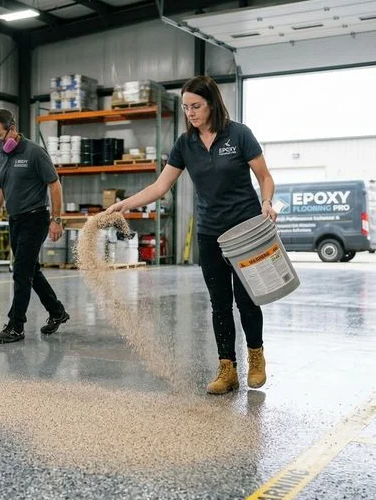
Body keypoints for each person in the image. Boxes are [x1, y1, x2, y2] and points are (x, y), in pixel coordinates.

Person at [107, 76, 277, 394]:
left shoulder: (239, 134)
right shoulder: (185, 144)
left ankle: (256, 358)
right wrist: (126, 204)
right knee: (219, 304)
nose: (191, 113)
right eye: (186, 108)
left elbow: (265, 177)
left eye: (196, 106)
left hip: (245, 231)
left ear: (212, 103)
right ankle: (227, 370)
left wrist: (266, 202)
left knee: (247, 300)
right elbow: (161, 186)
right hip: (210, 233)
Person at [0, 109, 70, 344]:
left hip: (36, 217)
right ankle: (57, 311)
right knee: (31, 270)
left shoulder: (34, 152)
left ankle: (16, 325)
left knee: (21, 271)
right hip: (15, 219)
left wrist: (57, 219)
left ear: (12, 129)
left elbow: (54, 185)